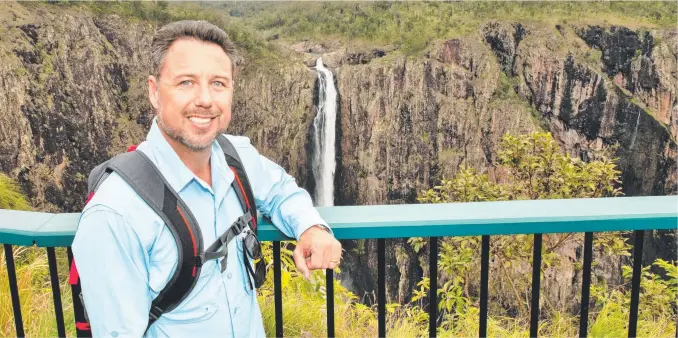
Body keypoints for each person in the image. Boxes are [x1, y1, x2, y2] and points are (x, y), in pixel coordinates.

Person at [71, 20, 342, 338]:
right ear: (154, 92)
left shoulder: (237, 159)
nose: (205, 99)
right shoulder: (114, 214)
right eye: (186, 82)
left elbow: (281, 189)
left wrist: (311, 228)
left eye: (218, 83)